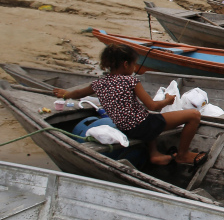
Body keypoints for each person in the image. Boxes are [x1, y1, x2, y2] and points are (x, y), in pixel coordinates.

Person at [53, 44, 205, 167]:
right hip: (141, 127)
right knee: (193, 115)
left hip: (124, 126)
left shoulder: (99, 83)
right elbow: (152, 105)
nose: (134, 68)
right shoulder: (131, 81)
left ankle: (154, 153)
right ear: (126, 64)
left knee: (146, 117)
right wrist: (167, 100)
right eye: (134, 64)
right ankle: (183, 155)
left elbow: (79, 92)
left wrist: (66, 94)